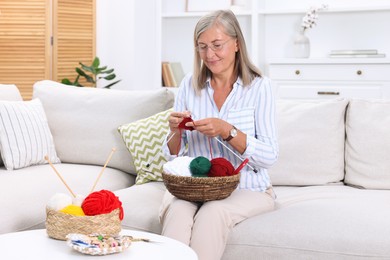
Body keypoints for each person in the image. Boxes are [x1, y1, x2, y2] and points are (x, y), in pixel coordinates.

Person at [159, 9, 279, 260]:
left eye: (217, 45)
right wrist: (175, 132)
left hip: (248, 188)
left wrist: (228, 131)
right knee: (178, 211)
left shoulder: (259, 87)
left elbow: (269, 156)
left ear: (236, 43)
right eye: (202, 47)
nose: (209, 55)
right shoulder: (189, 86)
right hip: (195, 187)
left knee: (212, 213)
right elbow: (175, 159)